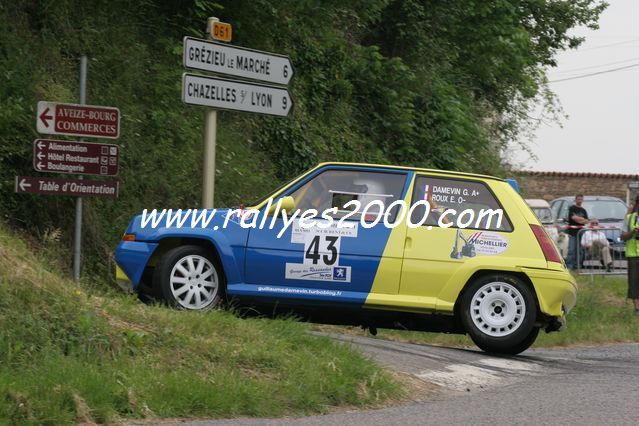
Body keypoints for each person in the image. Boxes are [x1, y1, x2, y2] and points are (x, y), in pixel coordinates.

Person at [621, 195, 639, 315]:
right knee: (634, 282)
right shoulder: (629, 218)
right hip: (633, 255)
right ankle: (637, 308)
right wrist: (632, 232)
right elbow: (622, 236)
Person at [566, 194, 589, 270]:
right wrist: (581, 219)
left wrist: (578, 218)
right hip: (572, 233)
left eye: (581, 199)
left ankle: (577, 266)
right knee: (571, 250)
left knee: (580, 251)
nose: (580, 200)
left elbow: (586, 221)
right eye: (578, 199)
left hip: (581, 233)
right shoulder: (572, 208)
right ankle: (570, 266)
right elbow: (573, 218)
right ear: (575, 200)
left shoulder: (583, 210)